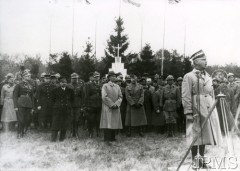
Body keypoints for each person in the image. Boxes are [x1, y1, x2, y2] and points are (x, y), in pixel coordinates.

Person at [182, 50, 223, 169]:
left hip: (208, 109)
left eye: (206, 60)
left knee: (205, 136)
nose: (206, 62)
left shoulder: (208, 76)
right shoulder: (189, 76)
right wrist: (188, 112)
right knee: (195, 136)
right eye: (204, 60)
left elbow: (210, 93)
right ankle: (195, 161)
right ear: (196, 62)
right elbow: (185, 95)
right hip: (196, 108)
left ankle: (202, 161)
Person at [100, 71, 123, 144]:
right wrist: (111, 104)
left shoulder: (117, 86)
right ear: (109, 77)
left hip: (116, 107)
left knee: (114, 121)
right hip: (108, 107)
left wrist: (117, 104)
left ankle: (113, 137)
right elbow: (104, 97)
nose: (114, 77)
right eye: (112, 76)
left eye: (115, 76)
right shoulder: (105, 86)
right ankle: (106, 138)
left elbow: (120, 96)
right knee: (107, 122)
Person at [51, 76, 74, 142]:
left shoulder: (70, 90)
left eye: (65, 82)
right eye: (62, 82)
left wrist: (69, 106)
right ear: (60, 83)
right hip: (57, 109)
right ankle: (53, 138)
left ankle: (62, 138)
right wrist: (55, 106)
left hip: (66, 109)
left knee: (64, 124)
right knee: (55, 124)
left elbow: (72, 100)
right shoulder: (55, 90)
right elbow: (52, 100)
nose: (64, 84)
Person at [13, 70, 34, 138]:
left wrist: (32, 107)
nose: (29, 77)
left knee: (27, 119)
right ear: (23, 77)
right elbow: (15, 96)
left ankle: (23, 131)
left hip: (28, 104)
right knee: (21, 120)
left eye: (29, 76)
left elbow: (32, 97)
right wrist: (15, 106)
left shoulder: (30, 85)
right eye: (27, 76)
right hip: (21, 104)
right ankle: (19, 133)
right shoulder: (18, 85)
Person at [84, 72, 102, 138]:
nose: (97, 78)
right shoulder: (88, 85)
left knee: (98, 119)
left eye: (98, 76)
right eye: (96, 77)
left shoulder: (101, 84)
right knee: (91, 120)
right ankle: (90, 132)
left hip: (99, 104)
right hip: (91, 105)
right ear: (93, 77)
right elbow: (86, 96)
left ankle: (97, 132)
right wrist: (87, 105)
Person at [68, 73, 84, 138]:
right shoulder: (68, 86)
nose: (75, 80)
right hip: (70, 104)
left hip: (78, 104)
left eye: (76, 78)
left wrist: (82, 106)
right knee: (71, 119)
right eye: (73, 79)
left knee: (77, 119)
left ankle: (76, 132)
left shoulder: (80, 86)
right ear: (71, 79)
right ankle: (72, 132)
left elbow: (83, 96)